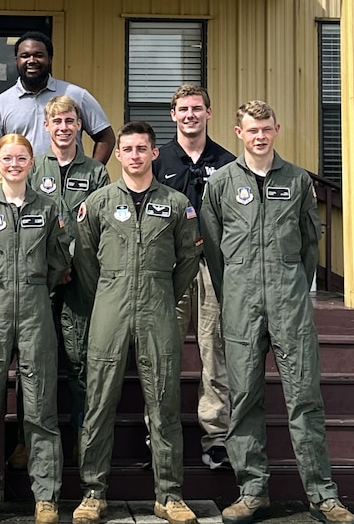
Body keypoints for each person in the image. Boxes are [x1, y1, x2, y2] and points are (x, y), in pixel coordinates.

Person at [200, 101, 354, 524]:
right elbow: (214, 252)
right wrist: (237, 290)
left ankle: (323, 496)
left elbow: (310, 244)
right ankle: (252, 493)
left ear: (277, 129)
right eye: (252, 130)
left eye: (266, 129)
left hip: (290, 307)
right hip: (241, 307)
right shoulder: (221, 184)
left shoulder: (298, 180)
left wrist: (291, 287)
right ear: (238, 133)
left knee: (304, 399)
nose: (260, 136)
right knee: (245, 400)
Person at [73, 121, 201, 524]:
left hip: (158, 305)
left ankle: (170, 495)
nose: (134, 156)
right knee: (98, 402)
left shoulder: (178, 204)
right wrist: (110, 294)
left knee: (164, 402)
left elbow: (188, 261)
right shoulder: (97, 203)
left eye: (141, 149)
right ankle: (93, 492)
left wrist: (159, 290)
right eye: (127, 149)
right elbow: (85, 262)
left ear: (153, 153)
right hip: (109, 305)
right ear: (118, 154)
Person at [0, 134, 71, 524]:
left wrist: (34, 284)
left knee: (41, 410)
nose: (14, 164)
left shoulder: (49, 207)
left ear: (31, 163)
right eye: (7, 158)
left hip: (36, 310)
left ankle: (46, 498)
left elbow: (59, 258)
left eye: (21, 158)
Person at [2, 96, 108, 468]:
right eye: (56, 121)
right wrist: (51, 265)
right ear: (46, 127)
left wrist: (74, 263)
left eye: (70, 121)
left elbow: (99, 227)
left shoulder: (96, 172)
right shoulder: (32, 167)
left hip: (80, 279)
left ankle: (83, 439)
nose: (63, 127)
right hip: (38, 280)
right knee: (30, 363)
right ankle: (24, 442)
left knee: (81, 362)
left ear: (79, 126)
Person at [152, 85, 235, 470]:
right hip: (169, 267)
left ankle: (216, 436)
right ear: (172, 115)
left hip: (213, 267)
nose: (190, 115)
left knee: (213, 351)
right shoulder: (158, 158)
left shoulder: (228, 161)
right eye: (183, 109)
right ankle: (160, 433)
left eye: (197, 109)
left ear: (209, 113)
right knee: (162, 352)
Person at [0, 31, 115, 164]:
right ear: (16, 60)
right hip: (21, 181)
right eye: (25, 56)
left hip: (66, 181)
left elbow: (105, 137)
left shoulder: (76, 95)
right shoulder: (1, 104)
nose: (32, 61)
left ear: (50, 59)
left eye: (39, 55)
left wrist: (92, 173)